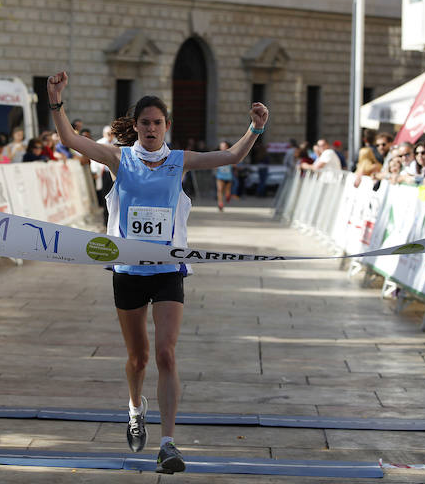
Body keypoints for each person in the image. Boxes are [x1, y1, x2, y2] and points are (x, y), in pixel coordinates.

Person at [46, 71, 269, 474]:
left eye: (157, 123)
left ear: (167, 127)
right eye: (145, 122)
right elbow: (70, 141)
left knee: (166, 353)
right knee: (139, 358)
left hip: (168, 270)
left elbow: (232, 156)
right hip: (128, 271)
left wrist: (255, 127)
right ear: (136, 127)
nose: (151, 128)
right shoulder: (120, 157)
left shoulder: (179, 161)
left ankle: (167, 442)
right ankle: (135, 408)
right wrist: (56, 101)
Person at [214, 141, 233, 210]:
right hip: (220, 176)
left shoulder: (230, 155)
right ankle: (220, 203)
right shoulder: (218, 155)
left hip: (228, 176)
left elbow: (234, 164)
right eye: (221, 146)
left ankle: (228, 196)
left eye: (224, 146)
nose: (222, 147)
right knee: (219, 190)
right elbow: (214, 164)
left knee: (227, 191)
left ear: (227, 147)